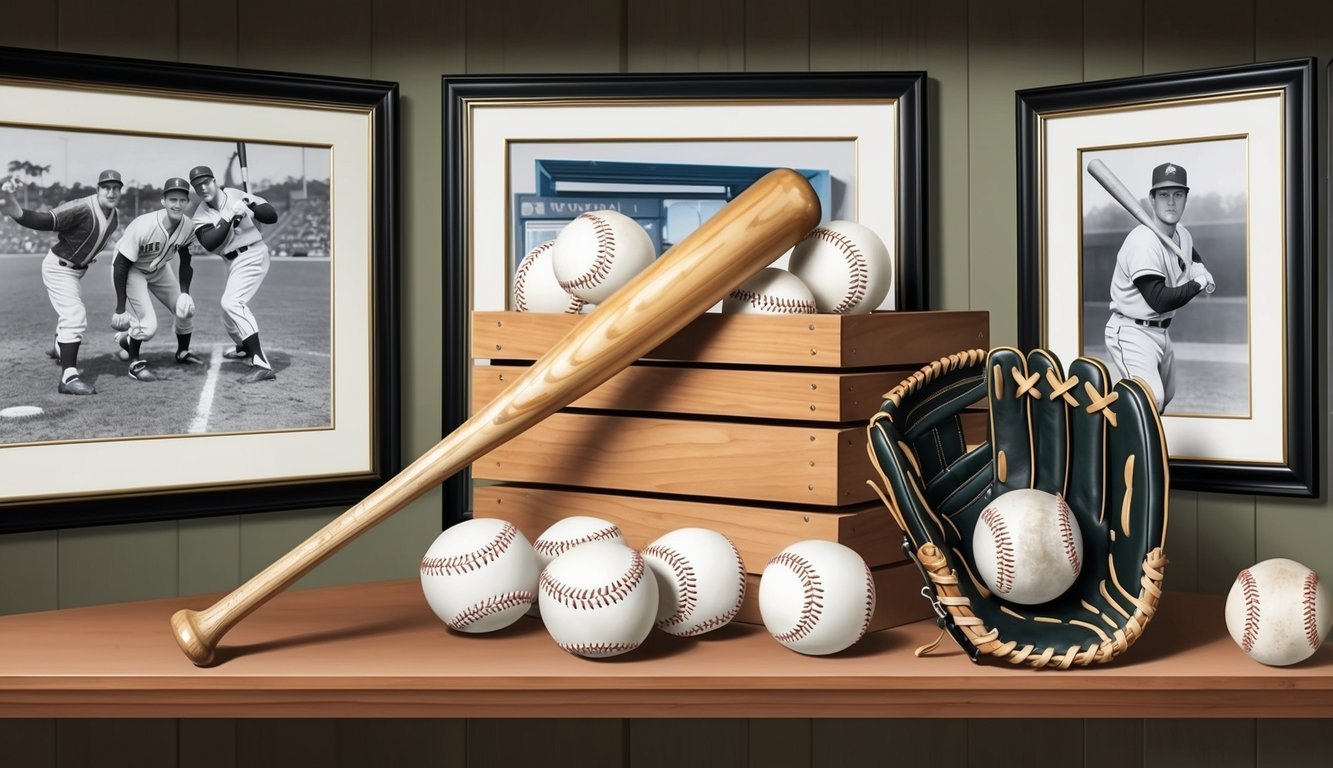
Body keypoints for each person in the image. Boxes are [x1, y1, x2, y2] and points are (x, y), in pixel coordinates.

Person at [1103, 161, 1215, 412]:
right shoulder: (1142, 243)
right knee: (1150, 399)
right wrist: (1198, 283)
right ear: (1152, 200)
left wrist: (1198, 266)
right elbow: (1159, 299)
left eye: (1177, 195)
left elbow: (1190, 255)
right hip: (1131, 330)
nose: (1171, 202)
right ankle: (1114, 444)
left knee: (1166, 395)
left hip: (1160, 331)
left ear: (1186, 199)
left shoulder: (1182, 234)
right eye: (1164, 195)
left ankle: (1133, 438)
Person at [0, 168, 123, 395]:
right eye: (107, 187)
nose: (112, 192)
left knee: (70, 312)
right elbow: (47, 220)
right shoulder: (82, 206)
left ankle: (59, 347)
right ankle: (68, 378)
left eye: (116, 188)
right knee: (75, 315)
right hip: (59, 267)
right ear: (98, 189)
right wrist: (15, 211)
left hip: (76, 270)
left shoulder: (114, 215)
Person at [188, 164, 279, 384]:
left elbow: (271, 216)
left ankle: (261, 363)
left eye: (205, 182)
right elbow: (210, 243)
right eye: (197, 186)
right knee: (227, 314)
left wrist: (250, 205)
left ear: (214, 181)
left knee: (232, 302)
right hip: (231, 261)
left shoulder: (235, 194)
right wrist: (228, 217)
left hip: (253, 253)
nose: (203, 188)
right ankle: (244, 347)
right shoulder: (200, 215)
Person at [109, 177, 204, 382]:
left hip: (160, 268)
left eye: (181, 200)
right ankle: (134, 362)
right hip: (132, 270)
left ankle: (182, 352)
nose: (177, 204)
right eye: (172, 199)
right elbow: (120, 265)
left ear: (187, 202)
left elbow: (186, 262)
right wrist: (120, 307)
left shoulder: (188, 227)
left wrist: (185, 292)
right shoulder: (143, 225)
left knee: (185, 308)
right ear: (163, 201)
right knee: (147, 327)